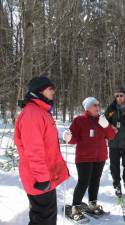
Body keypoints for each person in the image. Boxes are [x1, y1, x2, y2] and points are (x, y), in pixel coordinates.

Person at [14, 75, 69, 225]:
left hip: (44, 176)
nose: (53, 92)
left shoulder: (41, 112)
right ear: (39, 90)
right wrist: (42, 178)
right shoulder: (33, 114)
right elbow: (33, 151)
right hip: (39, 178)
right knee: (44, 219)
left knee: (44, 217)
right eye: (50, 88)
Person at [62, 97, 117, 222]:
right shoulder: (79, 121)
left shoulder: (102, 120)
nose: (97, 107)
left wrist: (107, 125)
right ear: (87, 107)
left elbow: (111, 136)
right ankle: (75, 207)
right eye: (94, 105)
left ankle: (92, 204)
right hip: (84, 157)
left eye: (98, 104)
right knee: (83, 182)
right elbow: (73, 139)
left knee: (95, 181)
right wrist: (68, 137)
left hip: (100, 156)